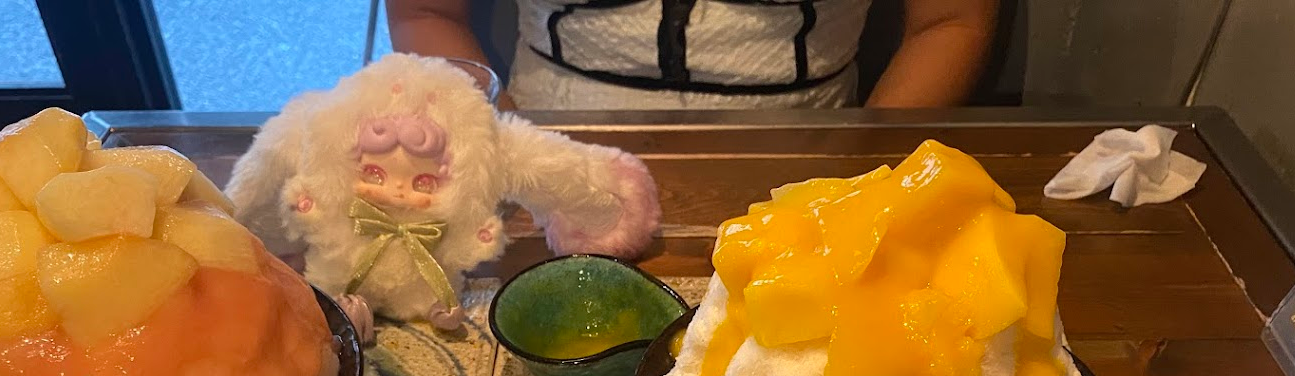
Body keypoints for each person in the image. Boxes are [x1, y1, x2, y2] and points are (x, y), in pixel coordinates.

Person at [388, 0, 998, 110]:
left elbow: (950, 21)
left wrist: (865, 197)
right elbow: (426, 13)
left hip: (814, 167)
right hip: (537, 145)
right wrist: (502, 143)